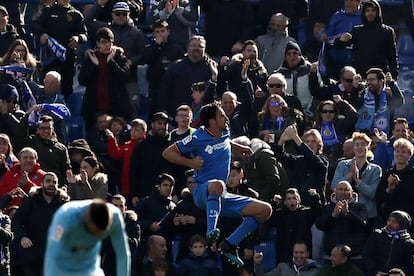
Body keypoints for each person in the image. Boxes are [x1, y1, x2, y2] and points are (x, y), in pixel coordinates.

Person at [162, 101, 272, 268]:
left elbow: (224, 142)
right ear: (212, 121)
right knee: (218, 184)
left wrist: (238, 147)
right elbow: (167, 153)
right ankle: (210, 232)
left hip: (221, 195)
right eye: (221, 115)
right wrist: (190, 163)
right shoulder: (198, 137)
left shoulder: (224, 131)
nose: (226, 118)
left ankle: (230, 245)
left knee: (265, 210)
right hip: (202, 192)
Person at [45, 198, 130, 275]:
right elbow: (52, 250)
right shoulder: (63, 218)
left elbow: (122, 253)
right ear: (85, 217)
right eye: (94, 232)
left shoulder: (115, 217)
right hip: (63, 268)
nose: (96, 236)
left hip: (91, 268)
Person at [11, 172, 69, 276]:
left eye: (54, 182)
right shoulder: (31, 201)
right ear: (41, 184)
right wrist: (22, 237)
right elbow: (17, 221)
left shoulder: (63, 204)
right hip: (32, 253)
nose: (51, 184)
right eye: (48, 181)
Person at [32, 0, 88, 98]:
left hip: (68, 58)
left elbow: (84, 35)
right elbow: (35, 26)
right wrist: (42, 34)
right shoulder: (48, 11)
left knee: (66, 89)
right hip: (50, 57)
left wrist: (78, 38)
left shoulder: (76, 14)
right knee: (47, 86)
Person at [78, 27, 131, 127]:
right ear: (98, 43)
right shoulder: (91, 58)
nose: (107, 45)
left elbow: (125, 76)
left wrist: (111, 62)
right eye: (103, 42)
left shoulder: (119, 57)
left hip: (115, 107)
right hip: (94, 107)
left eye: (109, 42)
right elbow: (82, 80)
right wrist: (95, 65)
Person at [334, 0, 399, 79]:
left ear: (378, 12)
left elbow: (392, 57)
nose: (370, 13)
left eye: (373, 11)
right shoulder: (357, 31)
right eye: (367, 11)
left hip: (379, 78)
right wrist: (341, 40)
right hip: (359, 77)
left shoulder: (387, 31)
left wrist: (393, 77)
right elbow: (338, 46)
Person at [331, 132, 382, 229]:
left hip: (368, 214)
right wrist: (349, 177)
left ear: (368, 148)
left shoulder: (376, 169)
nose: (360, 147)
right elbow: (334, 186)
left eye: (363, 145)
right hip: (345, 211)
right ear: (353, 148)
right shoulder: (342, 164)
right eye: (357, 145)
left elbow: (373, 193)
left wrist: (358, 181)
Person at [315, 181, 368, 267]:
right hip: (330, 256)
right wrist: (333, 215)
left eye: (346, 190)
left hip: (353, 257)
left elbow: (363, 223)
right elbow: (319, 225)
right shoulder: (328, 207)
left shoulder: (360, 207)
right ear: (335, 191)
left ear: (352, 192)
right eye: (340, 189)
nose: (343, 192)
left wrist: (348, 214)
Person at [275, 126, 328, 207]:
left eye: (313, 141)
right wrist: (282, 140)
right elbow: (280, 157)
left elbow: (311, 157)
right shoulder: (298, 160)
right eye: (307, 141)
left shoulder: (323, 160)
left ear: (319, 145)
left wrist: (295, 137)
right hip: (297, 206)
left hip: (316, 205)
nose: (310, 144)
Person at [129, 111, 172, 205]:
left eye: (165, 124)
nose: (162, 126)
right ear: (152, 124)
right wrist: (134, 194)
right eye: (159, 123)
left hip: (167, 197)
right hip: (144, 194)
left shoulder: (172, 146)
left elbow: (176, 170)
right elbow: (133, 171)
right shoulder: (141, 146)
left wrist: (175, 192)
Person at [267, 188, 320, 265]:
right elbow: (269, 219)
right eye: (289, 198)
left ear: (299, 200)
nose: (292, 200)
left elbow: (318, 211)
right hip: (284, 254)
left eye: (294, 198)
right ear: (285, 202)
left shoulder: (305, 213)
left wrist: (315, 197)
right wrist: (273, 203)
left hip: (302, 253)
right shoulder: (280, 214)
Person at [15, 112, 71, 183]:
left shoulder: (61, 148)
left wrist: (64, 186)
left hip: (54, 185)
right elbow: (19, 132)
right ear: (37, 129)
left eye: (48, 128)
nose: (46, 131)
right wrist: (28, 114)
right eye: (42, 128)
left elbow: (66, 170)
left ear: (52, 129)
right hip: (34, 183)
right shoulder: (31, 142)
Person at [376, 138, 414, 231]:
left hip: (409, 218)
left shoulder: (412, 173)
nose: (400, 154)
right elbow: (378, 197)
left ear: (410, 155)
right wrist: (389, 190)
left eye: (403, 152)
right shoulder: (388, 174)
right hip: (389, 217)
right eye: (397, 151)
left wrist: (399, 184)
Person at [362, 210, 414, 275]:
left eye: (394, 222)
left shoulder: (408, 243)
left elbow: (409, 265)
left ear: (402, 224)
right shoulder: (377, 235)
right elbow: (367, 255)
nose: (390, 223)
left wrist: (399, 273)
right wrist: (374, 272)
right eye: (389, 220)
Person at [354, 68, 403, 135]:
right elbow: (355, 105)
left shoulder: (388, 93)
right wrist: (354, 89)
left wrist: (392, 84)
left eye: (372, 80)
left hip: (383, 133)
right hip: (364, 134)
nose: (369, 83)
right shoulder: (364, 94)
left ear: (381, 81)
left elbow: (399, 102)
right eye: (367, 80)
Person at [101, 194, 141, 276]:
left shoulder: (132, 224)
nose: (118, 209)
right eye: (115, 206)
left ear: (125, 208)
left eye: (121, 206)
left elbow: (134, 243)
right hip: (107, 266)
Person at [106, 118, 147, 197]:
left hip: (140, 185)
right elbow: (115, 154)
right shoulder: (128, 145)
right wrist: (111, 139)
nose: (133, 132)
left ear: (144, 132)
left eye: (137, 130)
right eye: (132, 130)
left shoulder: (146, 145)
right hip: (126, 184)